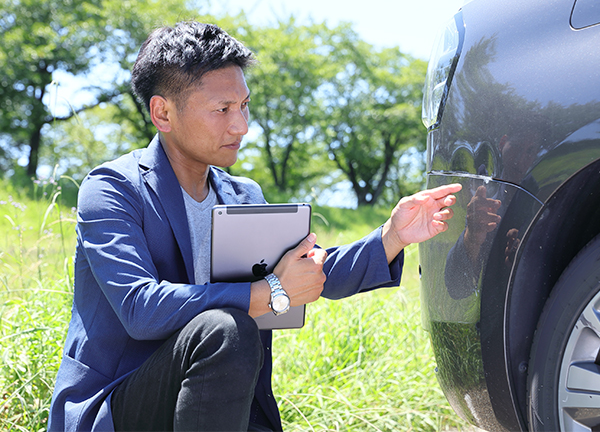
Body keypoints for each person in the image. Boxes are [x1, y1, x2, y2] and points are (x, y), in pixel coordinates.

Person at [48, 21, 461, 432]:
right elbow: (141, 309)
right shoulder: (114, 188)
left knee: (230, 331)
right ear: (163, 113)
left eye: (243, 105)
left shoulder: (243, 195)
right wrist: (268, 293)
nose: (241, 126)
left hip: (223, 407)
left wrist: (392, 235)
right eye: (222, 110)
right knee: (227, 330)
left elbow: (306, 272)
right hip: (120, 407)